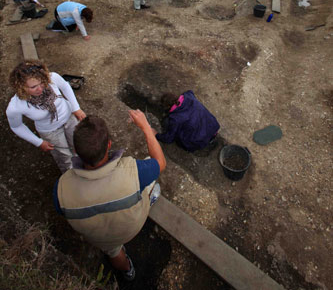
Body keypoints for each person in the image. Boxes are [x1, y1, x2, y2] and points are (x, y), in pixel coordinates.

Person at [53, 111, 166, 280]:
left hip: (101, 238)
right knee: (149, 172)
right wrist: (146, 128)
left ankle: (128, 271)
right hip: (133, 225)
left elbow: (62, 211)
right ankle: (149, 198)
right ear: (109, 145)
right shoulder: (132, 171)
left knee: (114, 253)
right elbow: (161, 163)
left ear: (76, 151)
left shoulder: (61, 188)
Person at [6, 60, 86, 173]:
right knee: (65, 157)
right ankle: (71, 176)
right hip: (50, 131)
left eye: (42, 82)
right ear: (21, 86)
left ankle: (84, 165)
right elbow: (16, 127)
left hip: (69, 118)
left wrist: (75, 108)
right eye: (33, 87)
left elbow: (65, 86)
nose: (40, 89)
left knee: (78, 145)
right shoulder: (16, 106)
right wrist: (39, 142)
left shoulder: (52, 78)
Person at [154, 91, 220, 152]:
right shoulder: (188, 95)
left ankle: (201, 144)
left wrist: (156, 134)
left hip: (199, 141)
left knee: (167, 123)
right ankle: (210, 139)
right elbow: (190, 91)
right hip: (213, 127)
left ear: (168, 106)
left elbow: (168, 139)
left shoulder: (175, 119)